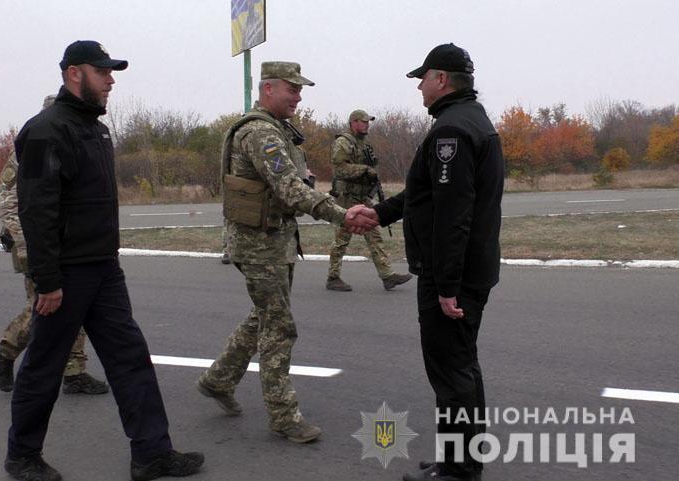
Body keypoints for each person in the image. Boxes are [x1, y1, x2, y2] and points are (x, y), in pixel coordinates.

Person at [7, 40, 203, 481]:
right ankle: (21, 455)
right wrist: (48, 280)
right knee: (45, 365)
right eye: (103, 72)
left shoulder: (96, 129)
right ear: (76, 73)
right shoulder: (42, 131)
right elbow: (35, 211)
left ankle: (152, 453)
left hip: (103, 267)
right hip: (66, 275)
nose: (111, 80)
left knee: (130, 357)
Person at [196, 61, 377, 444]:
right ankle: (283, 416)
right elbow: (291, 190)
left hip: (272, 241)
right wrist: (344, 215)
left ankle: (217, 379)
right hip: (260, 245)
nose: (298, 97)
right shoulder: (261, 133)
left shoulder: (275, 130)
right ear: (268, 90)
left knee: (263, 317)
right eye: (292, 90)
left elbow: (296, 184)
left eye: (299, 90)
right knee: (279, 327)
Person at [354, 44, 504, 481]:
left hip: (454, 275)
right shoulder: (469, 121)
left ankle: (458, 470)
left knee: (452, 372)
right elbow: (428, 196)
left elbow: (453, 215)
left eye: (423, 78)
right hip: (470, 269)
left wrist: (446, 286)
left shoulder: (451, 133)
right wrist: (379, 213)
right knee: (462, 368)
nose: (418, 86)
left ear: (441, 79)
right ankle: (461, 460)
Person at [0, 94, 109, 396]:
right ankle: (5, 353)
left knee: (75, 303)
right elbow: (9, 202)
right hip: (35, 243)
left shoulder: (71, 143)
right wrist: (28, 247)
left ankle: (74, 372)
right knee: (43, 309)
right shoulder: (37, 144)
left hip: (65, 242)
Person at [326, 109, 413, 292]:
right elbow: (339, 169)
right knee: (342, 238)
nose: (367, 124)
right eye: (363, 121)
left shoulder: (363, 144)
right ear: (353, 122)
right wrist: (363, 171)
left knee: (374, 234)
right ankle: (333, 277)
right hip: (347, 199)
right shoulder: (344, 142)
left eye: (368, 122)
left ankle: (387, 275)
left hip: (362, 198)